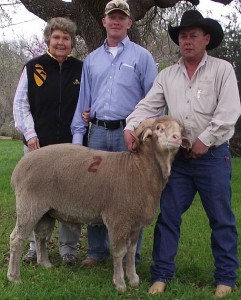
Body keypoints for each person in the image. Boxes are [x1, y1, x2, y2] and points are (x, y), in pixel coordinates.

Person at [124, 10, 240, 299]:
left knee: (220, 218)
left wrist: (206, 139)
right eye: (183, 36)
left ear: (206, 38)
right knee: (169, 216)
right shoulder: (168, 75)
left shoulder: (222, 70)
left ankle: (225, 278)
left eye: (193, 36)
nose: (187, 41)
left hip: (213, 157)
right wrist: (131, 127)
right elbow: (148, 106)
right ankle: (162, 275)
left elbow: (229, 112)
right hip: (178, 160)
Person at [71, 0, 158, 267]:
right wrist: (78, 140)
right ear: (104, 22)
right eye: (112, 17)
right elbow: (83, 101)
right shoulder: (92, 60)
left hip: (128, 135)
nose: (117, 21)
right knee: (96, 190)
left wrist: (143, 135)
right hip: (97, 133)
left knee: (132, 196)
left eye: (122, 17)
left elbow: (154, 100)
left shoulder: (142, 57)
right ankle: (97, 252)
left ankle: (133, 253)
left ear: (129, 23)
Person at [13, 17, 85, 266]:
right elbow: (21, 105)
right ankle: (34, 247)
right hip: (38, 147)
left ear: (72, 42)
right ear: (48, 40)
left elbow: (86, 103)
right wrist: (32, 137)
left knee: (72, 198)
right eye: (56, 37)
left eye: (66, 38)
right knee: (35, 199)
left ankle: (68, 250)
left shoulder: (80, 69)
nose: (61, 42)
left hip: (70, 148)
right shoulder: (33, 67)